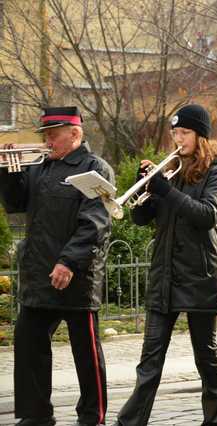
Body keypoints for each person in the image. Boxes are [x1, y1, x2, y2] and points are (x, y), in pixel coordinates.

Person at [113, 104, 217, 426]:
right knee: (149, 360)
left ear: (201, 136)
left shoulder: (216, 171)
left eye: (185, 133)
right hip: (164, 274)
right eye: (175, 133)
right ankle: (130, 422)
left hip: (199, 275)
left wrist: (165, 190)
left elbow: (207, 215)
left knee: (205, 357)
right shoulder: (171, 171)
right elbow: (139, 219)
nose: (178, 139)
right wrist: (148, 189)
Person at [0, 106, 114, 426]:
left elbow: (95, 222)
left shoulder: (96, 169)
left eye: (53, 135)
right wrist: (9, 173)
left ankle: (93, 417)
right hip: (39, 274)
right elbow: (15, 205)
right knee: (28, 341)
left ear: (75, 134)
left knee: (86, 353)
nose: (46, 140)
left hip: (76, 276)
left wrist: (68, 261)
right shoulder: (39, 166)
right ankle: (37, 414)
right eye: (45, 135)